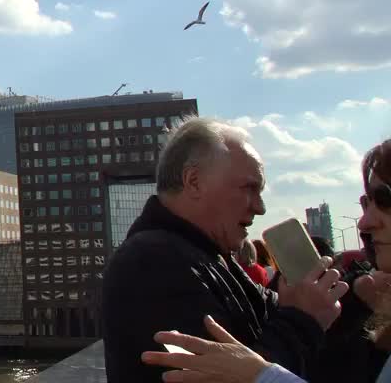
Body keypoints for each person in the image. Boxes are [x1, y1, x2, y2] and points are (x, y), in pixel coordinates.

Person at [102, 117, 349, 381]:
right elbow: (229, 376)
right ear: (194, 181)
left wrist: (349, 294)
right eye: (249, 188)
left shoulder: (206, 257)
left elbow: (264, 320)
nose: (260, 207)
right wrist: (302, 321)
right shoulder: (151, 264)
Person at [141, 137, 391, 383]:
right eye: (249, 188)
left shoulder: (202, 261)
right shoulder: (157, 263)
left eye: (384, 200)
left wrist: (260, 373)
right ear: (193, 182)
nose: (364, 222)